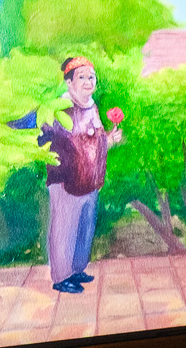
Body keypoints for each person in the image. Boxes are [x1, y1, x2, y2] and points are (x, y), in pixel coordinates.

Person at [40, 55, 123, 293]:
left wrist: (109, 140)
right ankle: (61, 276)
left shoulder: (92, 107)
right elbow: (55, 140)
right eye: (82, 77)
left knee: (84, 227)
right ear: (69, 82)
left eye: (91, 77)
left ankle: (76, 270)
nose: (88, 82)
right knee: (65, 228)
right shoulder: (60, 108)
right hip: (66, 179)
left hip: (90, 179)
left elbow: (94, 140)